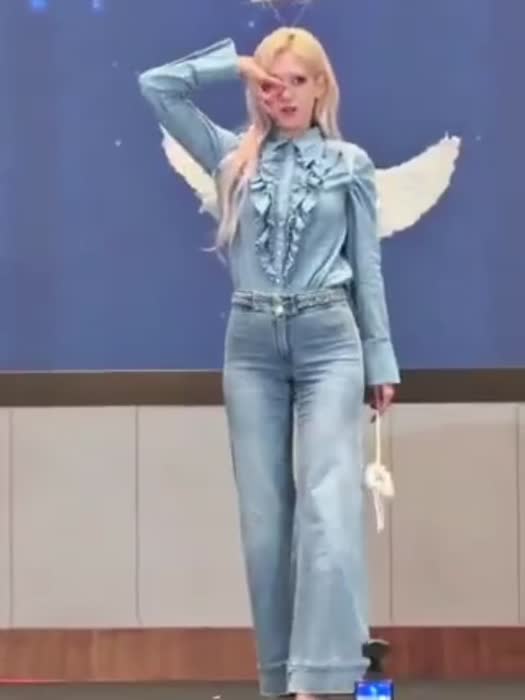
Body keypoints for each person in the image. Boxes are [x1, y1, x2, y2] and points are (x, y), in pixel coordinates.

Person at [139, 27, 400, 699]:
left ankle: (318, 678)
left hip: (329, 341)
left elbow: (367, 268)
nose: (281, 94)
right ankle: (279, 678)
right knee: (263, 523)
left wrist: (381, 359)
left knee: (328, 509)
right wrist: (234, 65)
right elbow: (157, 87)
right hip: (251, 346)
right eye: (270, 83)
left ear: (321, 86)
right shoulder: (232, 156)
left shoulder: (349, 164)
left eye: (296, 81)